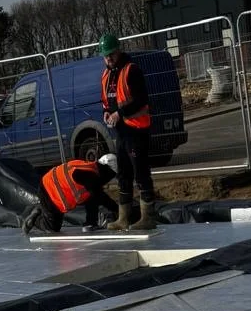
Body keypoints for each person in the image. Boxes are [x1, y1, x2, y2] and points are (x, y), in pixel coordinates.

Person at [99, 32, 157, 230]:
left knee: (140, 172)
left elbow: (141, 99)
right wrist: (107, 113)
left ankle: (147, 217)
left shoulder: (131, 70)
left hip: (136, 130)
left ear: (119, 51)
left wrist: (120, 113)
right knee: (123, 173)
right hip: (121, 133)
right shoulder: (106, 76)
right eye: (106, 56)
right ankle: (124, 217)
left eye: (111, 54)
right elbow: (107, 102)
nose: (109, 58)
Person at [29, 153, 119, 233]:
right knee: (51, 228)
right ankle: (33, 218)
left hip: (55, 195)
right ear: (107, 170)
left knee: (92, 196)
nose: (109, 180)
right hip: (48, 191)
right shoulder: (89, 175)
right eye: (111, 176)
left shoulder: (89, 168)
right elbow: (100, 196)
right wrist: (119, 210)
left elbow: (94, 195)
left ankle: (90, 223)